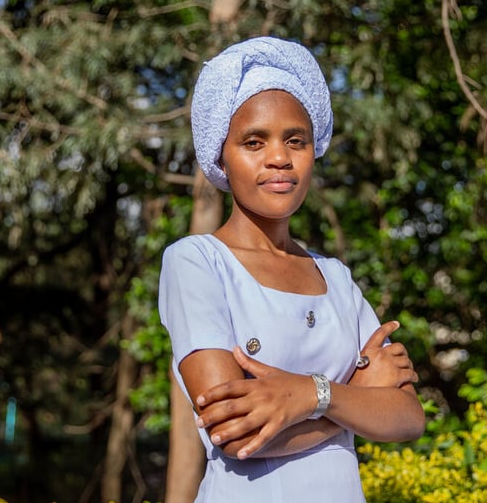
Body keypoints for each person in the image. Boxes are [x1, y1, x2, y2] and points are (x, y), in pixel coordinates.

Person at [158, 36, 425, 503]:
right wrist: (348, 396)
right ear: (222, 156)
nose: (279, 157)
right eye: (254, 141)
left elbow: (406, 416)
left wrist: (312, 396)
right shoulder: (197, 262)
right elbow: (235, 434)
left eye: (295, 140)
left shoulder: (335, 277)